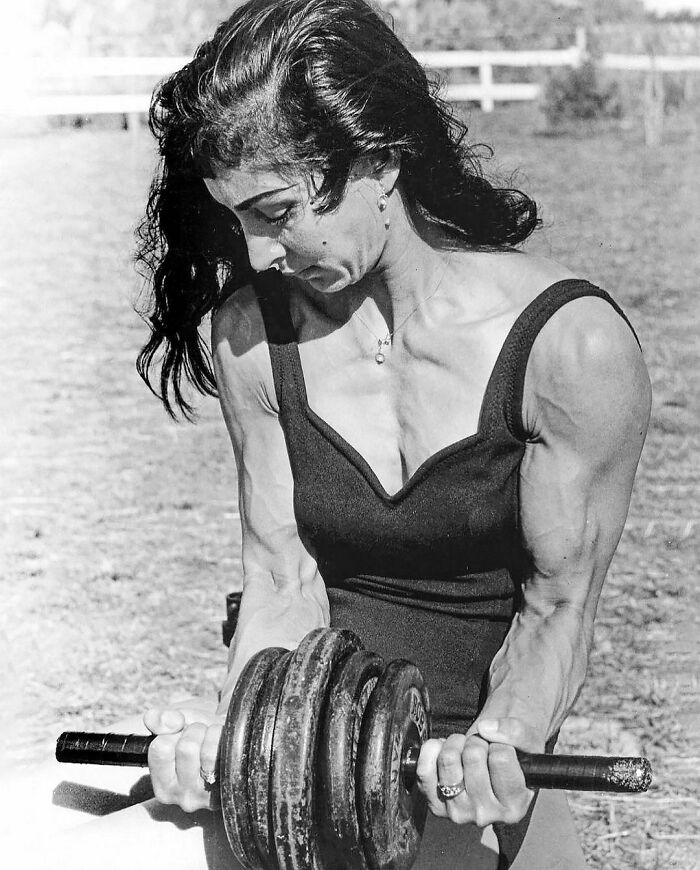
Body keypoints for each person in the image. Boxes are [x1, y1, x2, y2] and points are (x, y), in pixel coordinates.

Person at [7, 1, 649, 868]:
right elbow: (280, 580)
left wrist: (502, 740)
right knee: (28, 821)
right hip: (301, 760)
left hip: (454, 782)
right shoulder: (252, 336)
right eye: (235, 217)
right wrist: (234, 742)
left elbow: (559, 605)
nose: (258, 251)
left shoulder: (572, 348)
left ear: (378, 160)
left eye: (275, 211)